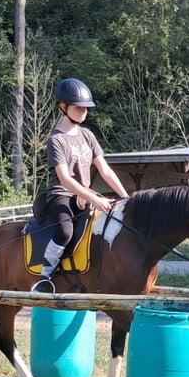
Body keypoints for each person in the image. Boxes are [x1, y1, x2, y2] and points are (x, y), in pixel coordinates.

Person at [32, 78, 129, 292]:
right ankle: (45, 278)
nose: (83, 112)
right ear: (63, 107)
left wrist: (126, 198)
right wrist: (95, 198)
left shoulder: (87, 135)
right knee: (65, 232)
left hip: (85, 194)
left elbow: (105, 170)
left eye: (86, 108)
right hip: (61, 194)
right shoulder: (56, 140)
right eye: (78, 108)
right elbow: (65, 178)